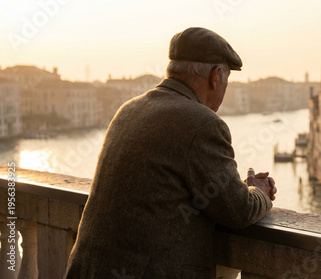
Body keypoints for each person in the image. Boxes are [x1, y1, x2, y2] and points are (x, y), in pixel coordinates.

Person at [64, 27, 277, 279]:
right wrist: (258, 192)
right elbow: (237, 210)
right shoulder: (203, 123)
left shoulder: (129, 110)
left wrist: (231, 187)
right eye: (227, 80)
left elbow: (162, 190)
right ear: (216, 75)